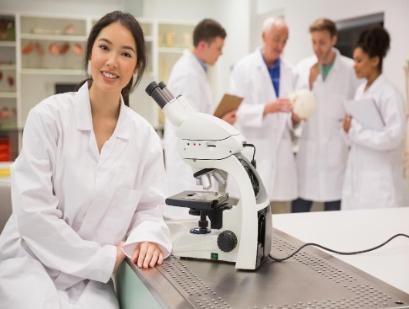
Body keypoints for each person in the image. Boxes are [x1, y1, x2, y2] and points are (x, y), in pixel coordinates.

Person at [0, 11, 171, 309]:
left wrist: (148, 239)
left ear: (137, 66)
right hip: (30, 261)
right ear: (90, 52)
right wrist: (105, 258)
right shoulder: (48, 117)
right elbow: (33, 212)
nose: (112, 61)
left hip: (89, 280)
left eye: (125, 53)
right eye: (104, 47)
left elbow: (149, 209)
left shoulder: (145, 138)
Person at [163, 18, 236, 218]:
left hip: (194, 156)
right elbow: (189, 124)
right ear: (203, 45)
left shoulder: (198, 70)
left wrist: (218, 121)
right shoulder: (187, 73)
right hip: (186, 161)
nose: (220, 54)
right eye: (218, 48)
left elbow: (195, 117)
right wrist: (221, 123)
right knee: (186, 219)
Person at [292, 18, 360, 212]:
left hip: (336, 155)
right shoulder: (303, 68)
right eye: (313, 42)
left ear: (333, 40)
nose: (317, 47)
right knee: (298, 215)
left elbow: (356, 108)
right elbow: (296, 107)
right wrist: (310, 83)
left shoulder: (350, 69)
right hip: (308, 154)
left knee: (334, 216)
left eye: (322, 42)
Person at [230, 17, 298, 206]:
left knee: (282, 223)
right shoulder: (244, 67)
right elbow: (236, 111)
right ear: (264, 36)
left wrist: (297, 117)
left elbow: (289, 121)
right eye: (277, 39)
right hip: (253, 153)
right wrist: (267, 108)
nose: (280, 45)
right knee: (249, 223)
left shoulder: (290, 71)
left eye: (284, 41)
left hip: (281, 158)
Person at [342, 27, 408, 209]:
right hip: (358, 175)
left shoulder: (390, 94)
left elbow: (393, 138)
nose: (354, 65)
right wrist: (348, 130)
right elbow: (354, 134)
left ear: (375, 60)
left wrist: (355, 132)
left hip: (380, 182)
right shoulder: (360, 91)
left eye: (359, 60)